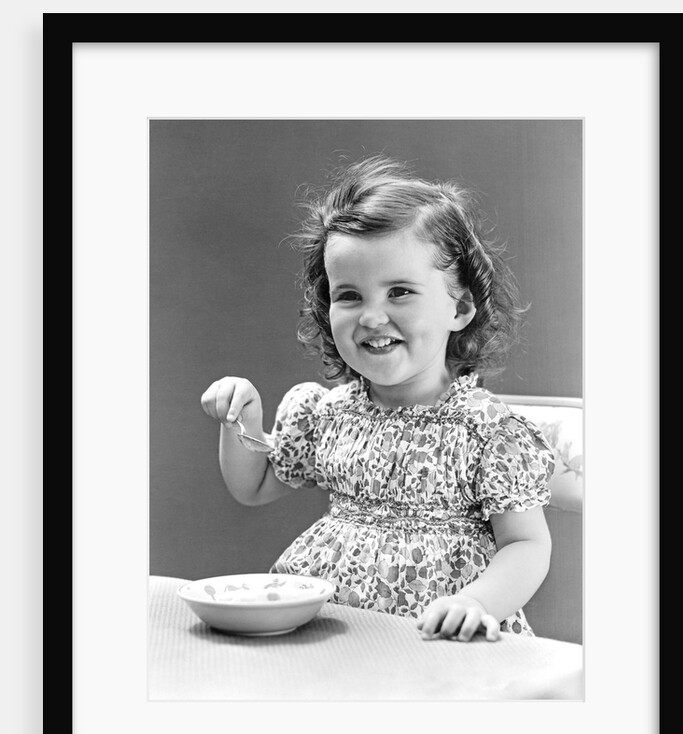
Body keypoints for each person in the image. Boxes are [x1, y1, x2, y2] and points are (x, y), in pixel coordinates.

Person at [200, 155, 555, 642]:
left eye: (400, 292)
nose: (371, 317)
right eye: (349, 296)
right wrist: (239, 420)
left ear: (461, 307)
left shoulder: (486, 430)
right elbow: (254, 486)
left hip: (437, 637)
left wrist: (475, 602)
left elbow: (527, 544)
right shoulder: (330, 413)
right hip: (340, 631)